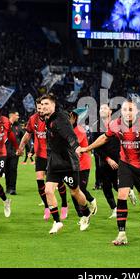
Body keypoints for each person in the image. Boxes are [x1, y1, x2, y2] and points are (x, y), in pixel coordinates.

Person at [79, 99, 140, 246]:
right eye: (124, 110)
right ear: (121, 111)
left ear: (136, 111)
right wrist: (87, 148)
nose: (128, 113)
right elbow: (104, 138)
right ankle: (122, 234)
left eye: (131, 110)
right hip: (126, 164)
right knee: (122, 195)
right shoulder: (115, 124)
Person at [39, 94, 92, 235]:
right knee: (48, 190)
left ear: (53, 105)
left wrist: (76, 147)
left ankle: (86, 213)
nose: (43, 107)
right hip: (54, 162)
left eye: (46, 104)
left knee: (75, 191)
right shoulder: (47, 118)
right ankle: (57, 222)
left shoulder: (60, 119)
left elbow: (70, 135)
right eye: (42, 104)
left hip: (68, 162)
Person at [19, 97, 69, 220]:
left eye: (43, 107)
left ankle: (64, 205)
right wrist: (21, 147)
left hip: (53, 155)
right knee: (40, 181)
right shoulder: (33, 119)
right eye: (39, 108)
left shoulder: (54, 119)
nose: (41, 110)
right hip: (40, 155)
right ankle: (47, 207)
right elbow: (28, 134)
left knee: (59, 183)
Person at [91, 103, 137, 219]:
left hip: (119, 160)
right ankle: (114, 209)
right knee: (106, 187)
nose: (102, 110)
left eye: (104, 108)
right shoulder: (96, 127)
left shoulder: (118, 125)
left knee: (118, 185)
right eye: (100, 108)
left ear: (110, 111)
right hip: (104, 161)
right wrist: (107, 159)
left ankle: (129, 191)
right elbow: (95, 146)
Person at [69, 108, 97, 220]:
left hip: (83, 164)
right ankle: (81, 215)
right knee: (73, 190)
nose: (68, 119)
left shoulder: (80, 130)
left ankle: (91, 200)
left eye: (70, 117)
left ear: (75, 118)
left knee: (80, 189)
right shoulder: (70, 129)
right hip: (72, 164)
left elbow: (74, 144)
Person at [5, 110, 23, 195]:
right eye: (17, 115)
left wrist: (26, 150)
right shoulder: (4, 126)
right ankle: (8, 188)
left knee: (13, 169)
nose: (18, 117)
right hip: (4, 153)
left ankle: (12, 188)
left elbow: (24, 138)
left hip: (15, 153)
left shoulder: (18, 127)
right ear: (12, 116)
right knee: (7, 170)